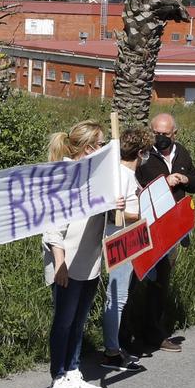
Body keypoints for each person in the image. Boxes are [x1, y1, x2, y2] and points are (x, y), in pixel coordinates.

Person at [42, 122, 111, 388]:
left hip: (89, 261)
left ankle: (73, 370)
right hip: (66, 262)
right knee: (64, 321)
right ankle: (57, 376)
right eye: (101, 143)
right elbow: (51, 224)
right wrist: (59, 263)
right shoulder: (64, 177)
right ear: (88, 147)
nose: (105, 149)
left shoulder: (97, 176)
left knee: (79, 320)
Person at [129, 112, 195, 354]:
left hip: (173, 228)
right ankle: (130, 334)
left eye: (165, 135)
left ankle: (155, 332)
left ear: (175, 134)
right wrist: (163, 182)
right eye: (156, 134)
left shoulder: (182, 152)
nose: (160, 138)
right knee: (138, 282)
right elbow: (135, 186)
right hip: (148, 226)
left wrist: (183, 178)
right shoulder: (144, 155)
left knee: (162, 282)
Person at [86, 128, 149, 372]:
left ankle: (115, 347)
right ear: (140, 153)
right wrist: (142, 215)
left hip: (130, 239)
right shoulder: (121, 176)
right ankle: (111, 351)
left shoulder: (127, 175)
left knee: (121, 296)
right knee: (118, 297)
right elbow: (113, 214)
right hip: (120, 239)